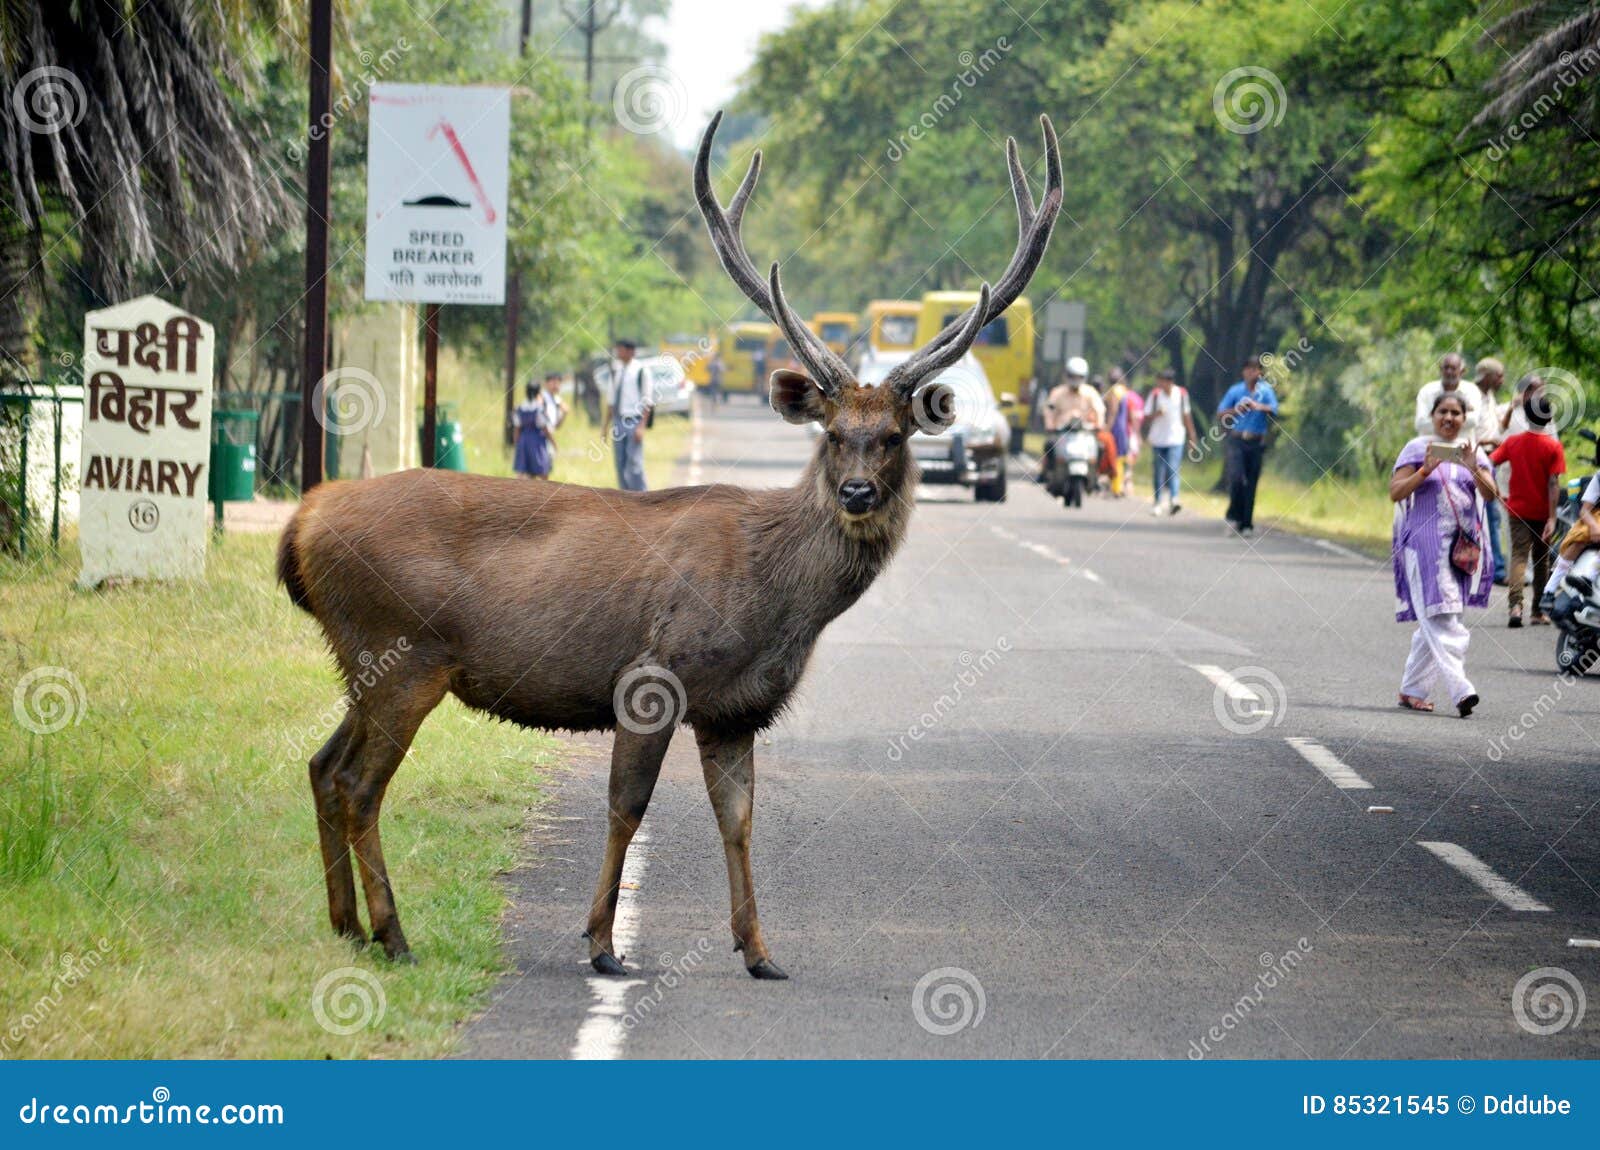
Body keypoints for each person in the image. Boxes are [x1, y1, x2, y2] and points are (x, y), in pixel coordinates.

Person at [1390, 391, 1497, 716]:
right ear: (1433, 415)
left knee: (1434, 619)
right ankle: (1461, 689)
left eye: (1456, 413)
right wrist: (1424, 470)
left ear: (1465, 419)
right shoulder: (1415, 448)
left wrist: (1473, 467)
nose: (1449, 418)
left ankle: (1412, 690)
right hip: (1423, 546)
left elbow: (1492, 496)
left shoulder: (1473, 453)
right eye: (1443, 412)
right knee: (1443, 616)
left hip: (1460, 552)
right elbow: (1395, 492)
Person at [1491, 392, 1564, 626]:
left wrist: (1495, 490)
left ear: (1526, 416)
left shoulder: (1513, 442)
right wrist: (1552, 517)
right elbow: (1553, 483)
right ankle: (1537, 611)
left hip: (1517, 509)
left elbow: (1490, 463)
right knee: (1541, 561)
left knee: (1518, 557)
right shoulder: (1553, 447)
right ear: (1548, 417)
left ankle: (1515, 607)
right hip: (1542, 512)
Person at [1215, 355, 1279, 538]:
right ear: (1244, 371)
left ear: (1260, 372)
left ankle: (1246, 522)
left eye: (1255, 369)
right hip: (1237, 440)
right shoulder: (1236, 391)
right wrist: (1237, 409)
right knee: (1236, 479)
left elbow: (1274, 408)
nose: (1251, 373)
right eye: (1248, 369)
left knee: (1251, 483)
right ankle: (1233, 516)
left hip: (1256, 442)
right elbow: (1221, 412)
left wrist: (1258, 406)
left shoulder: (1265, 391)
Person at [1142, 368, 1197, 516]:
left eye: (1163, 381)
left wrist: (1192, 436)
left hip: (1176, 437)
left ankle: (1174, 499)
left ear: (1170, 382)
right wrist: (1157, 414)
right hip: (1158, 439)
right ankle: (1158, 501)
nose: (1160, 384)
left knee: (1173, 468)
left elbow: (1186, 416)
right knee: (1159, 471)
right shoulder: (1155, 396)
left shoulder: (1181, 394)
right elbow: (1145, 417)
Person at [1473, 357, 1509, 584]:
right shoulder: (1471, 396)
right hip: (1476, 458)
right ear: (1488, 376)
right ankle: (1496, 569)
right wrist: (1488, 441)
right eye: (1499, 375)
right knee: (1489, 514)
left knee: (1490, 514)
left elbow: (1496, 427)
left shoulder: (1490, 398)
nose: (1502, 380)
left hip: (1490, 458)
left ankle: (1491, 566)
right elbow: (1469, 430)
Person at [606, 338, 651, 492]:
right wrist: (606, 426)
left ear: (631, 351)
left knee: (634, 462)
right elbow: (610, 400)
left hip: (634, 420)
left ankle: (642, 496)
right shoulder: (616, 370)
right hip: (618, 420)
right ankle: (624, 496)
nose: (618, 352)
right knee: (619, 461)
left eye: (621, 349)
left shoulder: (641, 371)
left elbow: (647, 401)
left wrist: (641, 426)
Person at [1412, 352, 1484, 436]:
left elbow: (1473, 421)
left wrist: (1437, 419)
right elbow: (1420, 424)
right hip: (1430, 445)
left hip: (1462, 446)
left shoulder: (1471, 391)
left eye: (1453, 368)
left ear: (1462, 371)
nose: (1449, 372)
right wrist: (1458, 419)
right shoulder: (1427, 391)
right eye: (1446, 368)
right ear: (1440, 369)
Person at [512, 380, 552, 479]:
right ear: (539, 393)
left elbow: (517, 428)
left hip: (523, 440)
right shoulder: (539, 409)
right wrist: (553, 443)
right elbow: (545, 428)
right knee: (543, 470)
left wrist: (517, 443)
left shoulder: (520, 408)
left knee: (524, 471)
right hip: (536, 441)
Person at [1104, 368, 1130, 497]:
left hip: (1116, 428)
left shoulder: (1114, 391)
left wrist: (1107, 427)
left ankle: (1116, 487)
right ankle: (1118, 486)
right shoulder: (1124, 391)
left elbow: (1113, 411)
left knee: (1114, 457)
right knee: (1120, 458)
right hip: (1123, 427)